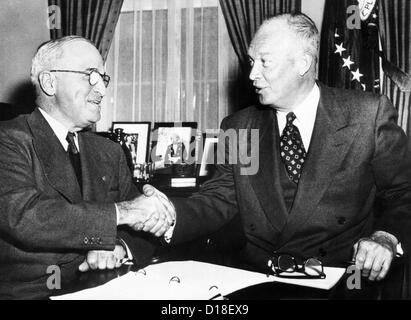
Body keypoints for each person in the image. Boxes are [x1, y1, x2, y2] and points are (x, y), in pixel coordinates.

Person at [159, 12, 411, 282]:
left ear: (302, 63)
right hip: (258, 281)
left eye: (265, 62)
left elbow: (402, 192)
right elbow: (219, 199)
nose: (253, 74)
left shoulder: (367, 115)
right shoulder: (240, 127)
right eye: (251, 62)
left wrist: (385, 237)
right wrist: (169, 214)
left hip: (341, 280)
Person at [0, 36, 173, 299]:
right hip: (31, 293)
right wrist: (123, 213)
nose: (102, 90)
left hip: (104, 287)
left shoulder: (108, 151)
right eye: (90, 75)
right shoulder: (9, 140)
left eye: (103, 79)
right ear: (49, 82)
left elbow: (142, 230)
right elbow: (25, 217)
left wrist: (121, 246)